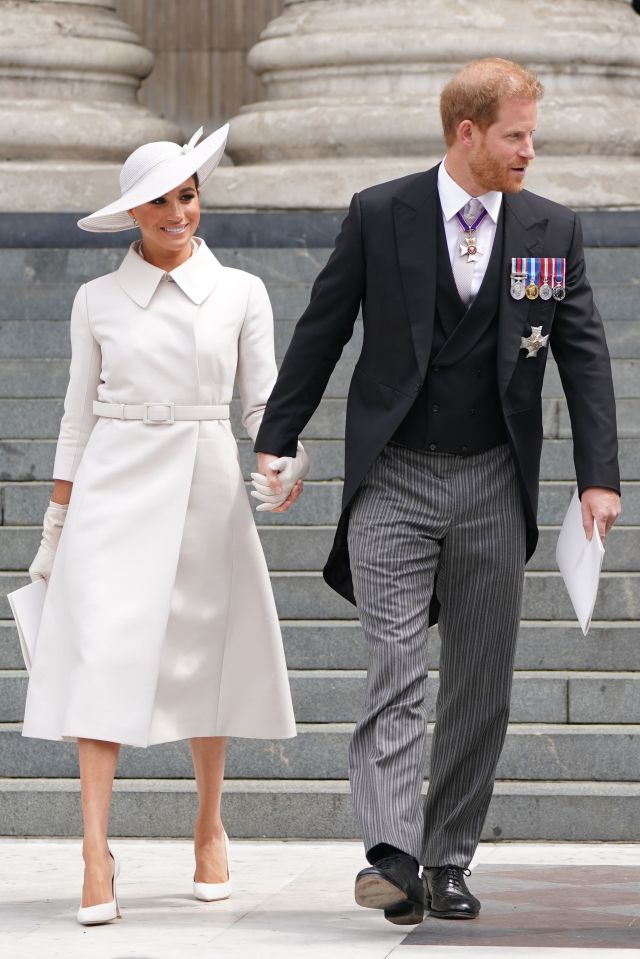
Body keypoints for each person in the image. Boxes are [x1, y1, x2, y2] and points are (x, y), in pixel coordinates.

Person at [252, 58, 621, 925]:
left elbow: (585, 355)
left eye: (532, 134)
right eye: (516, 135)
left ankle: (448, 857)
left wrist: (598, 475)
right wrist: (278, 433)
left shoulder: (550, 228)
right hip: (394, 477)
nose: (530, 150)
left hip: (496, 477)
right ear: (468, 134)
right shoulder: (382, 214)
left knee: (479, 682)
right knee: (394, 666)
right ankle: (392, 853)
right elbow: (323, 326)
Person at [21, 125, 299, 926]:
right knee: (102, 653)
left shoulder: (243, 289)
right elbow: (74, 416)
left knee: (202, 658)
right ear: (132, 212)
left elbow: (262, 404)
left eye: (188, 194)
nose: (180, 211)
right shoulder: (94, 300)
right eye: (161, 200)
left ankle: (209, 823)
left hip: (207, 480)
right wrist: (54, 524)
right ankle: (94, 848)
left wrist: (286, 458)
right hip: (111, 479)